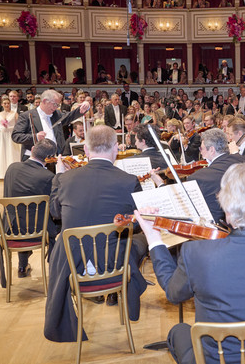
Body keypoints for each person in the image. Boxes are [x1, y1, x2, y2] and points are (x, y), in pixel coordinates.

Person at [136, 162, 245, 363]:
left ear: (228, 209)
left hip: (217, 359)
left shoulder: (197, 253)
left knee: (179, 331)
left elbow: (173, 293)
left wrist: (154, 240)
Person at [44, 125, 148, 342]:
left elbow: (55, 214)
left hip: (73, 266)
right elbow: (136, 224)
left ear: (86, 149)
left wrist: (58, 178)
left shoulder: (65, 179)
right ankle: (124, 293)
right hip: (112, 266)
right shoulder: (129, 181)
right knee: (138, 239)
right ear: (116, 149)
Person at [0, 139, 57, 286]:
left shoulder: (12, 168)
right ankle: (57, 268)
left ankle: (22, 265)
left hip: (11, 229)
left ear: (32, 149)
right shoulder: (48, 177)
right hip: (38, 231)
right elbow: (56, 207)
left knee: (23, 216)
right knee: (62, 222)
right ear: (50, 159)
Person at [12, 89, 90, 161]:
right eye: (55, 104)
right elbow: (16, 136)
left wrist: (83, 108)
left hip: (54, 158)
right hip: (34, 159)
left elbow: (69, 116)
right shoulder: (27, 116)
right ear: (45, 101)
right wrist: (35, 137)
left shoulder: (56, 114)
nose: (56, 107)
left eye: (58, 105)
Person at [0, 96, 23, 179]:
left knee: (12, 151)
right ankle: (1, 173)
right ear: (2, 104)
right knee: (1, 152)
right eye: (5, 103)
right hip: (1, 135)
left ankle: (14, 172)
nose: (7, 105)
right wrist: (0, 128)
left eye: (8, 103)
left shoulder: (14, 113)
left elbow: (18, 125)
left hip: (11, 134)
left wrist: (10, 128)